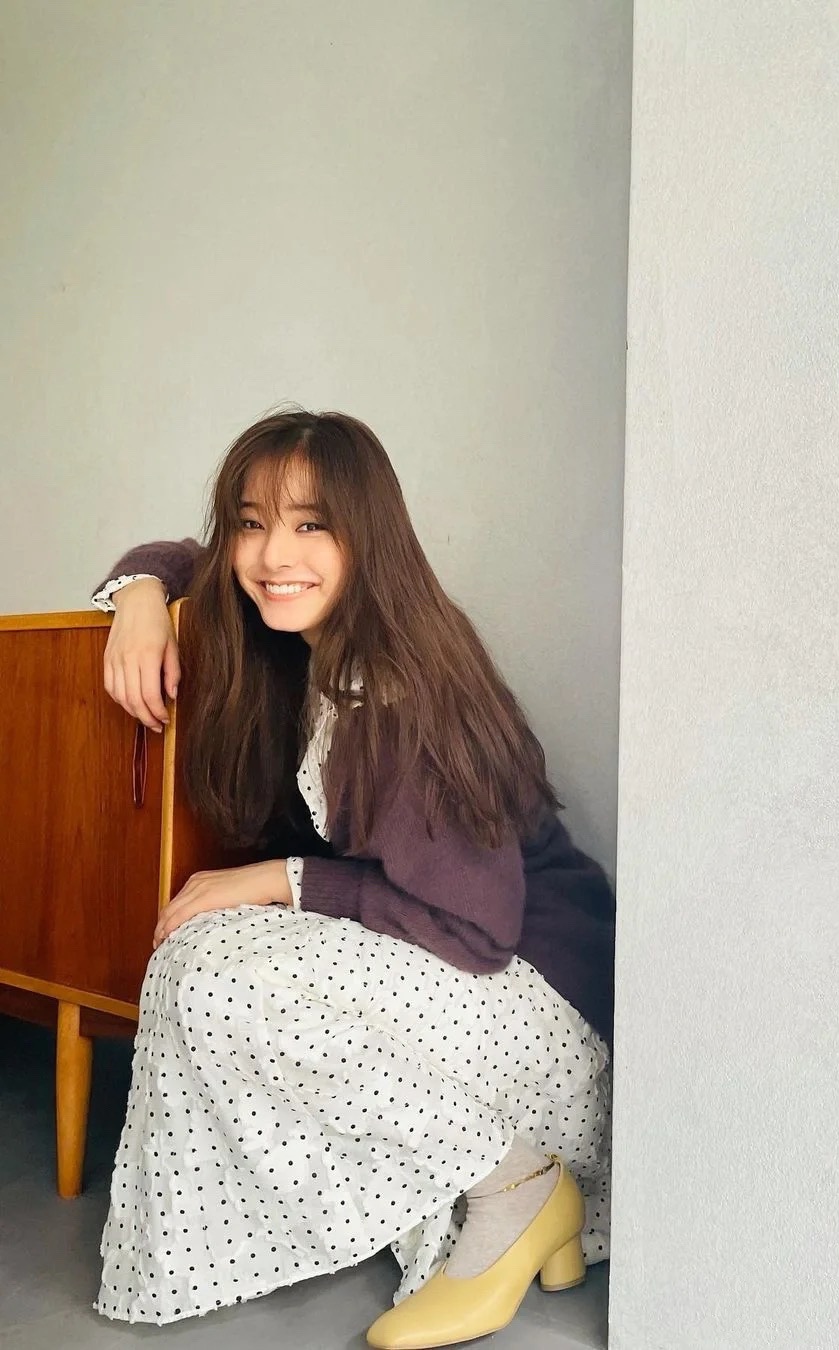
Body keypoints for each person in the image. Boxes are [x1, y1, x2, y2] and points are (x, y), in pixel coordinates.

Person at [90, 410, 614, 1349]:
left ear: (365, 535)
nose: (271, 555)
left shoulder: (397, 686)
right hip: (478, 969)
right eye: (252, 523)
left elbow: (478, 928)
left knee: (217, 975)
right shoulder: (320, 642)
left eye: (311, 524)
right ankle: (527, 1208)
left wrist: (282, 878)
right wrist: (137, 597)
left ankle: (519, 1186)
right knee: (201, 952)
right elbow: (190, 558)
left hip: (536, 997)